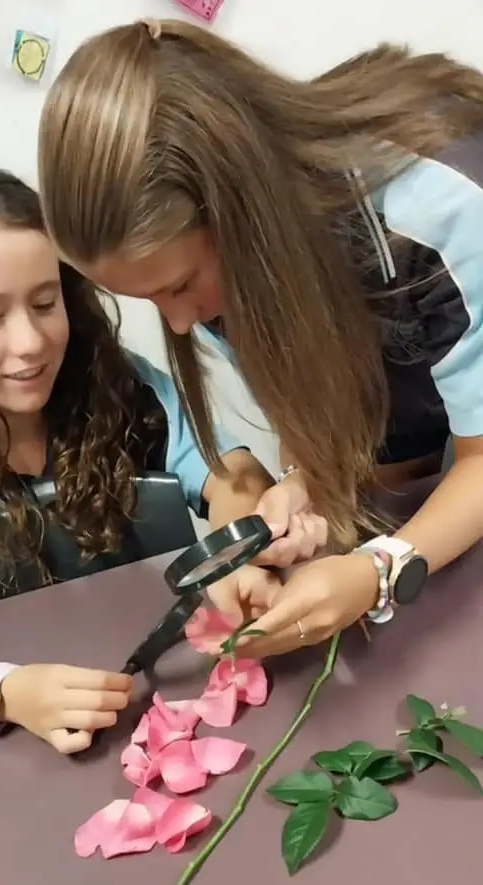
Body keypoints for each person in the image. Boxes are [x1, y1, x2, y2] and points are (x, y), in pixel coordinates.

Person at [38, 20, 483, 656]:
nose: (181, 322)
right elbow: (390, 445)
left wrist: (377, 571)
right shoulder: (228, 287)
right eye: (149, 300)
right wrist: (309, 499)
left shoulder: (435, 205)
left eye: (179, 284)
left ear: (241, 204)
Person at [0, 164, 289, 754]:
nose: (29, 342)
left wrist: (233, 553)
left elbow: (233, 474)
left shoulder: (121, 391)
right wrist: (5, 692)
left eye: (45, 302)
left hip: (157, 709)